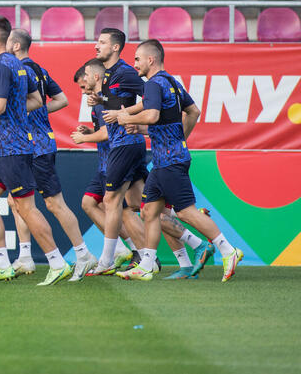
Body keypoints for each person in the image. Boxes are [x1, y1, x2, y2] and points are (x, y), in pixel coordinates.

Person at [0, 16, 74, 286]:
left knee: (27, 208)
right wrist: (12, 109)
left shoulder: (1, 66)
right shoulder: (17, 65)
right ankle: (2, 264)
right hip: (6, 148)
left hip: (14, 149)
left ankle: (57, 263)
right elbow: (35, 100)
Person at [115, 39, 243, 282]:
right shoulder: (172, 82)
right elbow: (192, 112)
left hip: (169, 161)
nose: (135, 64)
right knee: (149, 211)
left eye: (137, 59)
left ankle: (228, 250)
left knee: (185, 213)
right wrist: (174, 137)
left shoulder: (152, 84)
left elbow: (152, 115)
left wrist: (124, 118)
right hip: (167, 159)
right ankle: (147, 265)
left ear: (150, 60)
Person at [81, 59, 214, 279]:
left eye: (85, 76)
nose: (84, 82)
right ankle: (180, 257)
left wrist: (128, 118)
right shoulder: (108, 92)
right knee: (144, 209)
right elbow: (188, 111)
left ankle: (120, 258)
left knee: (118, 203)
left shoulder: (134, 77)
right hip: (139, 149)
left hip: (137, 150)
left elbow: (154, 107)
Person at [5, 28, 98, 281]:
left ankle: (83, 254)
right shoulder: (40, 69)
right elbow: (62, 100)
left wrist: (18, 112)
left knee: (53, 203)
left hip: (35, 146)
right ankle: (25, 257)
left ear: (15, 46)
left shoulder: (20, 70)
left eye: (6, 43)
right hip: (34, 144)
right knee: (15, 201)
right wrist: (36, 111)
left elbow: (28, 103)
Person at [85, 28, 151, 276]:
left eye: (101, 42)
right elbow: (117, 103)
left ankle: (107, 260)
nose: (96, 45)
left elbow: (150, 96)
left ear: (115, 47)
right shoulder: (109, 74)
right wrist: (101, 101)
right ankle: (185, 242)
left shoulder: (124, 72)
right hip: (121, 145)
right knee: (140, 206)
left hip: (125, 144)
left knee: (112, 201)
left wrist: (127, 115)